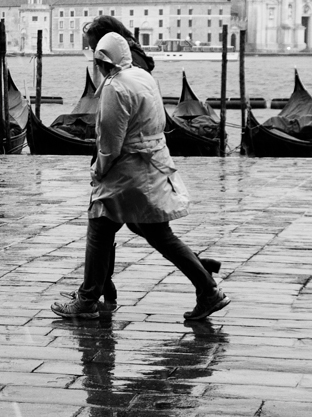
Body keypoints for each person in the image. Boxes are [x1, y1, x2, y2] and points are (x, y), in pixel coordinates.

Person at [52, 30, 228, 321]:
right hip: (152, 163)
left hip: (127, 172)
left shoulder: (114, 88)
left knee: (102, 228)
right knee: (151, 232)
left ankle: (87, 300)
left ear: (101, 61)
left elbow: (110, 141)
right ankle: (204, 284)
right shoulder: (143, 77)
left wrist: (98, 171)